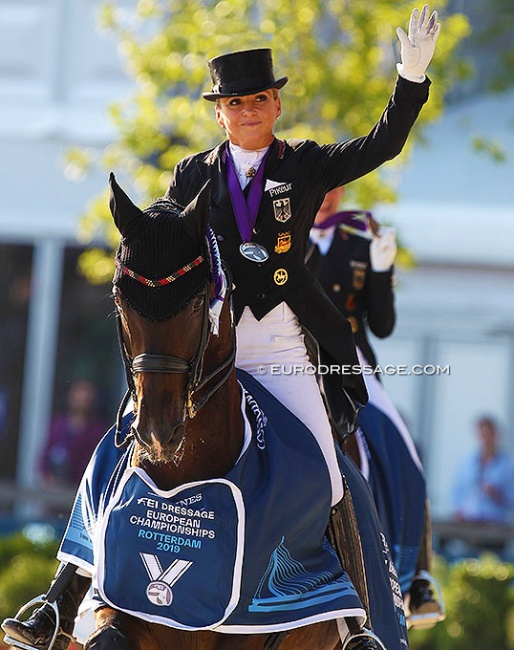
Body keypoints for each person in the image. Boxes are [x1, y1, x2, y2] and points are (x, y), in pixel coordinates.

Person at [2, 7, 441, 650]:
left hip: (286, 343)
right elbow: (166, 228)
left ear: (275, 106)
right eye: (235, 104)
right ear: (219, 113)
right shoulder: (193, 175)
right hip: (212, 345)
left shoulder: (306, 165)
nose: (248, 112)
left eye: (259, 100)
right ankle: (61, 596)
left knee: (326, 466)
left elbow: (381, 145)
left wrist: (410, 79)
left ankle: (354, 624)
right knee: (120, 446)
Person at [308, 186, 445, 630]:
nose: (326, 198)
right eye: (319, 187)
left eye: (335, 189)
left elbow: (382, 326)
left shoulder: (362, 243)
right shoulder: (277, 236)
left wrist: (382, 271)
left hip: (351, 361)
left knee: (404, 448)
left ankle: (418, 577)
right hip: (288, 354)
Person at [40, 379, 107, 489]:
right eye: (79, 394)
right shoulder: (57, 426)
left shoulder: (97, 431)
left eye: (87, 396)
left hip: (79, 490)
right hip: (52, 491)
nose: (83, 399)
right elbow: (44, 457)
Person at [452, 416, 514, 525]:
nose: (485, 439)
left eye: (488, 435)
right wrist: (457, 511)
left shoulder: (507, 466)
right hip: (467, 522)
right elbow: (456, 492)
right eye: (482, 435)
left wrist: (495, 494)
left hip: (494, 525)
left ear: (495, 435)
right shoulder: (467, 463)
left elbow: (510, 500)